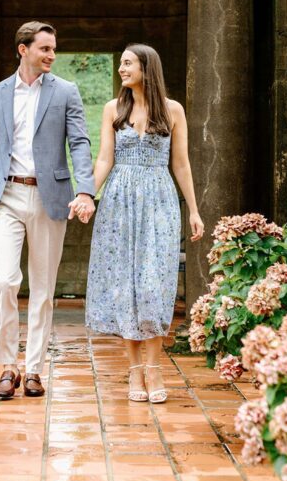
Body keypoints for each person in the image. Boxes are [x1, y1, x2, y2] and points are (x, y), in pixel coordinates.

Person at [0, 21, 95, 400]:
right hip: (5, 197)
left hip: (50, 198)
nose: (51, 55)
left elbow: (80, 143)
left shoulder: (66, 91)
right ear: (23, 49)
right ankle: (8, 366)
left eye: (53, 49)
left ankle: (33, 368)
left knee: (44, 290)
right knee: (3, 281)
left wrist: (85, 190)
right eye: (45, 49)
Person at [83, 44, 204, 403]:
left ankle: (155, 367)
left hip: (158, 202)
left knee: (154, 286)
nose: (121, 69)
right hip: (119, 202)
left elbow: (180, 164)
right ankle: (134, 371)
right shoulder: (112, 109)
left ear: (147, 68)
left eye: (127, 63)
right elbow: (104, 158)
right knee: (125, 288)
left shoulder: (173, 110)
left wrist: (193, 210)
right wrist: (87, 193)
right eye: (120, 62)